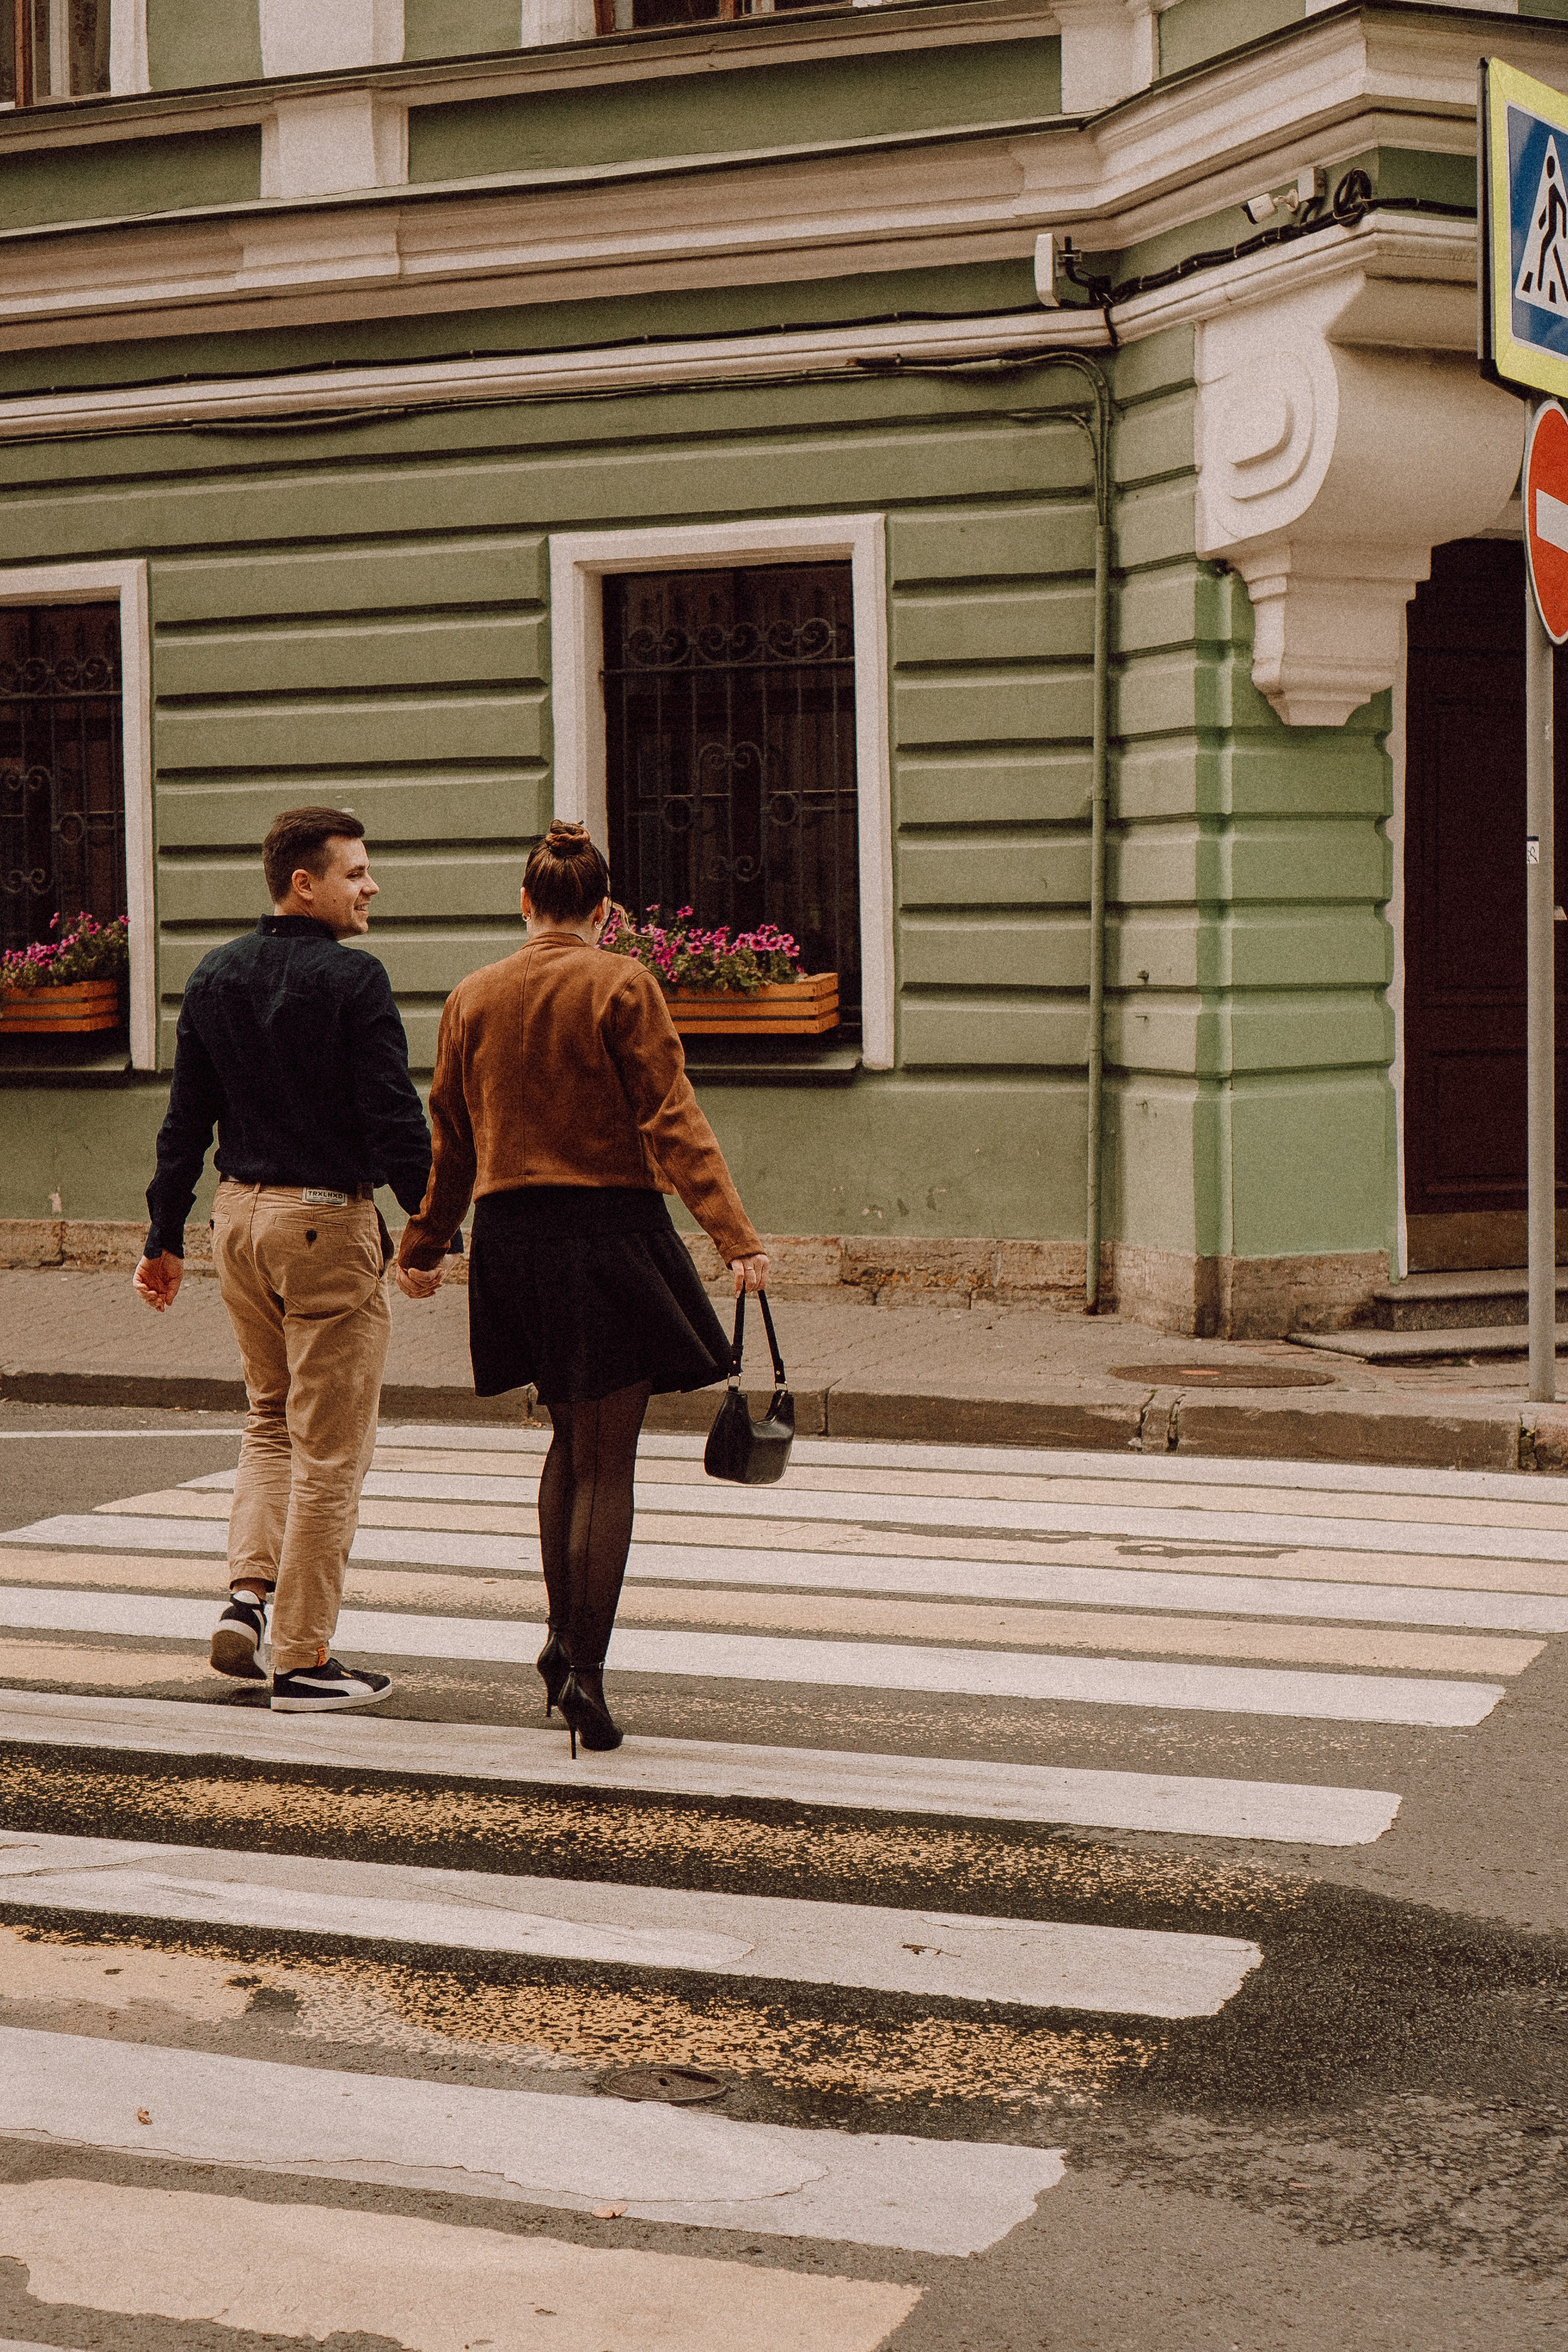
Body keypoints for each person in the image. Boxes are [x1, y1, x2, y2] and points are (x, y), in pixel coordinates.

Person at [396, 819, 768, 1756]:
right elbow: (673, 1119)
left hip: (513, 1240)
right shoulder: (622, 983)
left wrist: (426, 1245)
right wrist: (735, 1239)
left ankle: (560, 1646)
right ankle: (585, 1671)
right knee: (610, 1460)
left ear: (525, 903)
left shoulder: (472, 997)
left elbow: (451, 1139)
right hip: (609, 1234)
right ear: (604, 911)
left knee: (568, 1441)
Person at [134, 806, 435, 1714]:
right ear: (304, 883)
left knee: (270, 1421)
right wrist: (429, 1228)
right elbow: (394, 1119)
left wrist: (161, 1236)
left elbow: (187, 1122)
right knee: (331, 1452)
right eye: (355, 873)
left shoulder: (215, 974)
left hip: (237, 1223)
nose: (371, 886)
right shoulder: (355, 980)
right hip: (322, 1226)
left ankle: (247, 1598)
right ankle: (303, 1661)